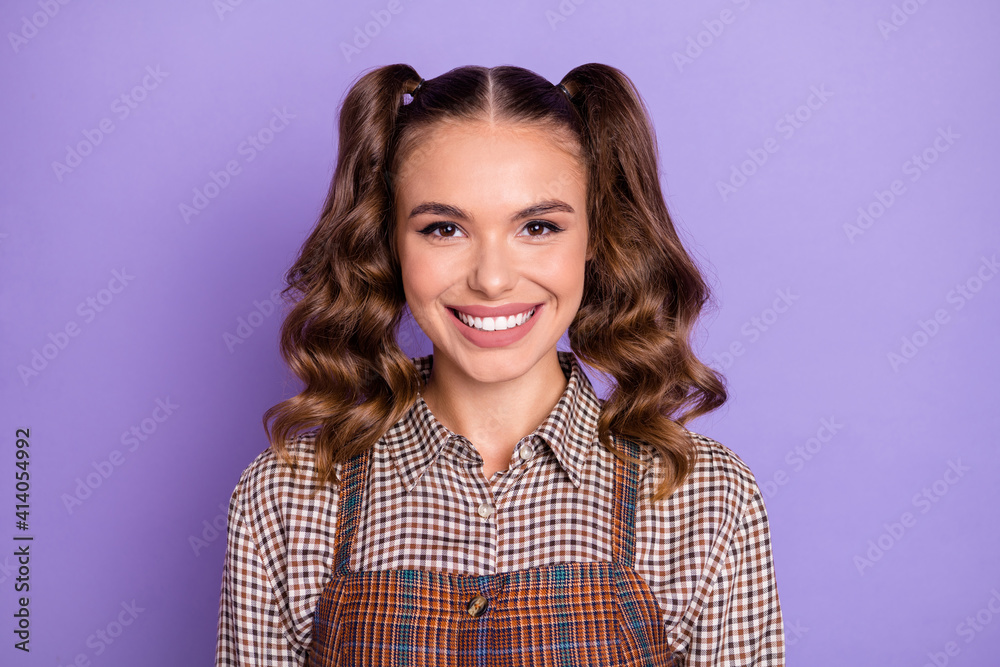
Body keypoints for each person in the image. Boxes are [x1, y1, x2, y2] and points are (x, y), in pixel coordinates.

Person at [216, 62, 785, 666]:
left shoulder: (706, 497)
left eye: (538, 226)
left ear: (595, 236)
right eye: (443, 229)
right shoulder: (287, 496)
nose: (491, 279)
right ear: (389, 241)